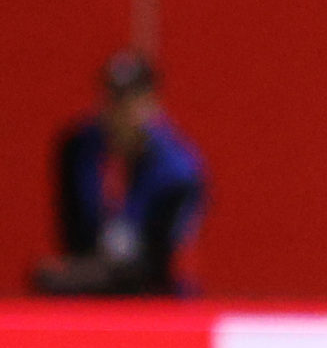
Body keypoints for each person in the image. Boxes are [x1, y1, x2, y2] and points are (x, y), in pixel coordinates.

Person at [35, 51, 205, 297]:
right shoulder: (78, 148)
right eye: (113, 98)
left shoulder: (178, 172)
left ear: (152, 101)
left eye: (131, 99)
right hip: (88, 280)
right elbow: (73, 232)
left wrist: (84, 273)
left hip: (155, 293)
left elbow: (158, 260)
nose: (121, 110)